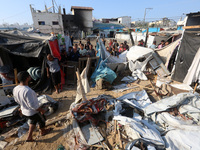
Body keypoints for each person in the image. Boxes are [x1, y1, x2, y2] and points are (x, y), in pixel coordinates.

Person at [13, 71, 52, 142]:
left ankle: (29, 137)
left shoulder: (16, 88)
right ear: (27, 78)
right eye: (29, 76)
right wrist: (41, 110)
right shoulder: (28, 91)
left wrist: (22, 106)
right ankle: (42, 131)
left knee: (33, 121)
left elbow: (16, 100)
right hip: (32, 111)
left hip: (24, 110)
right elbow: (33, 106)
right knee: (42, 120)